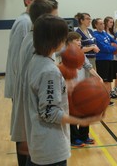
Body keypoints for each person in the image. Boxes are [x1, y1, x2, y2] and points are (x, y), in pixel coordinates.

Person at [23, 14, 104, 166]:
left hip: (38, 141)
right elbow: (50, 113)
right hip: (50, 146)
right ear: (57, 39)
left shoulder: (36, 60)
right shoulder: (49, 71)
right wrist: (82, 120)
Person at [10, 0, 55, 166]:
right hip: (32, 100)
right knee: (28, 145)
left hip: (29, 98)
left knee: (28, 143)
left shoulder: (32, 37)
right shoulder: (35, 42)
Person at [5, 0, 47, 100]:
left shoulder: (36, 21)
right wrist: (22, 86)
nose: (44, 0)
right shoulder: (24, 22)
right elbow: (16, 57)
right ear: (28, 2)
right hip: (23, 86)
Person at [66, 32, 103, 148]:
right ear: (69, 42)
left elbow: (89, 67)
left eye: (80, 40)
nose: (79, 42)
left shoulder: (81, 55)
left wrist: (98, 77)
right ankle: (74, 138)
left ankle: (84, 136)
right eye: (76, 40)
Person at [93, 18, 117, 105]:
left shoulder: (104, 33)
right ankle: (103, 99)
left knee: (109, 80)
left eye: (103, 23)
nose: (102, 25)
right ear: (95, 25)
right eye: (100, 24)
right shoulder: (95, 35)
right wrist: (116, 49)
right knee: (104, 80)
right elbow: (104, 48)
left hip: (109, 58)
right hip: (102, 60)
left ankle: (107, 98)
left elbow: (113, 40)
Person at [75, 13, 100, 77]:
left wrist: (95, 47)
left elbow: (94, 43)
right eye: (87, 19)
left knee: (93, 80)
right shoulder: (77, 32)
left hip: (93, 58)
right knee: (86, 80)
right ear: (81, 20)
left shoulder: (90, 31)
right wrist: (92, 47)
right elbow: (79, 49)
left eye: (90, 19)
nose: (89, 20)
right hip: (84, 60)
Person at [104, 16, 117, 99]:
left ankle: (111, 91)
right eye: (110, 22)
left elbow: (116, 42)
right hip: (107, 55)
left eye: (112, 22)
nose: (112, 23)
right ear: (106, 23)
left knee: (111, 75)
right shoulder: (103, 33)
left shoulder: (112, 33)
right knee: (107, 76)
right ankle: (108, 92)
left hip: (114, 55)